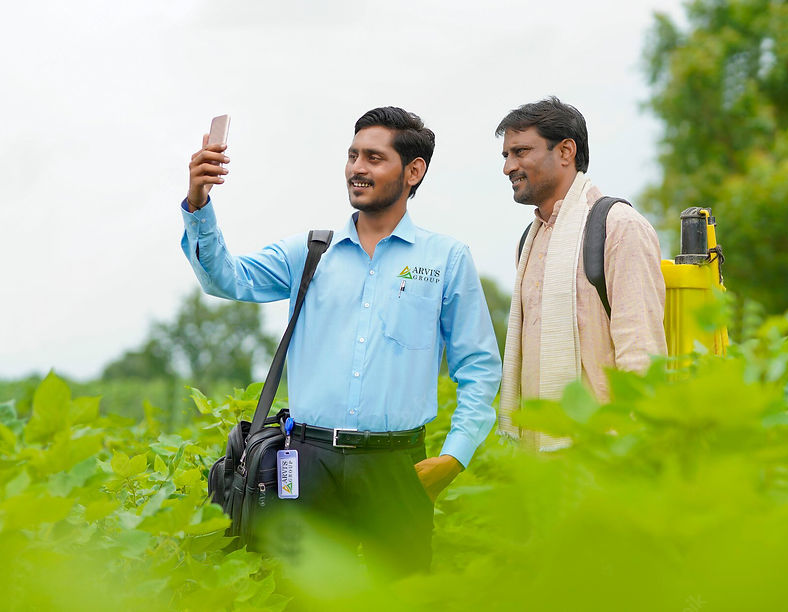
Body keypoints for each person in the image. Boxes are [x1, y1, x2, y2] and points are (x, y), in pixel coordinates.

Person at [180, 106, 501, 575]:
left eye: (374, 157)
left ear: (414, 171)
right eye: (353, 156)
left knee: (401, 596)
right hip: (307, 465)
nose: (357, 169)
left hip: (397, 467)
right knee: (303, 597)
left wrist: (454, 456)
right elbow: (225, 279)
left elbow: (479, 367)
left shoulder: (446, 259)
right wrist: (198, 202)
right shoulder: (310, 252)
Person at [495, 97, 666, 446]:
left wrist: (633, 451)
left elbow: (642, 356)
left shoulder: (618, 227)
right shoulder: (529, 241)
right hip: (537, 463)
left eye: (521, 151)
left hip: (601, 456)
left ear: (565, 151)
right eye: (506, 155)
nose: (508, 167)